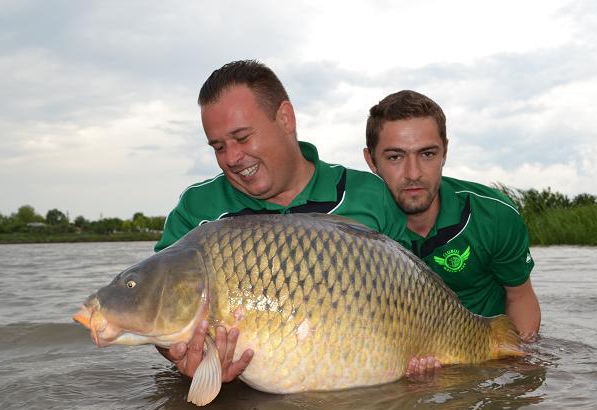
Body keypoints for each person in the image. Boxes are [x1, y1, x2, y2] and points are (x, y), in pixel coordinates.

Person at [154, 59, 412, 382]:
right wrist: (181, 355)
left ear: (285, 118)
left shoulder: (368, 196)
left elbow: (418, 295)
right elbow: (158, 311)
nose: (231, 158)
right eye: (218, 146)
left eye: (243, 137)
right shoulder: (197, 211)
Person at [363, 90, 541, 376]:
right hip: (404, 357)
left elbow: (520, 296)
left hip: (487, 352)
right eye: (395, 157)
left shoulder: (494, 215)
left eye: (427, 154)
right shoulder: (361, 232)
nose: (413, 173)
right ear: (371, 161)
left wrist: (518, 366)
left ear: (445, 151)